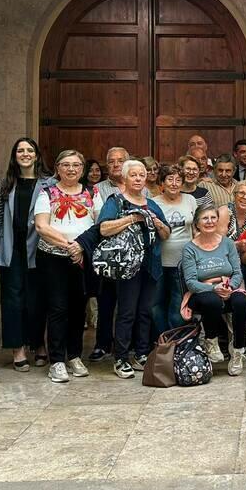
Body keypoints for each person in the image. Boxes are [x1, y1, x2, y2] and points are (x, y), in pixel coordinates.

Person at [97, 159, 170, 378]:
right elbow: (103, 228)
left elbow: (166, 234)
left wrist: (157, 223)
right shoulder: (116, 201)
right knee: (127, 312)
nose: (138, 178)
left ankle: (141, 353)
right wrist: (132, 218)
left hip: (151, 264)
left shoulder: (153, 203)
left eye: (141, 175)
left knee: (146, 311)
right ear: (125, 178)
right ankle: (120, 358)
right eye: (133, 175)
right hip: (127, 265)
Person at [33, 150, 99, 384]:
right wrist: (69, 244)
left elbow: (99, 225)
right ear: (58, 168)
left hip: (82, 259)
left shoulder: (92, 192)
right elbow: (41, 226)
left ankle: (74, 356)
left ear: (82, 169)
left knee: (78, 308)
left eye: (76, 165)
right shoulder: (47, 193)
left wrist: (81, 247)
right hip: (53, 258)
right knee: (58, 308)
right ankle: (57, 361)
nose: (71, 169)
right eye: (66, 165)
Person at [0, 137, 51, 372]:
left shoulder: (49, 184)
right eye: (20, 150)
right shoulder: (5, 184)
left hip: (39, 249)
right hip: (10, 249)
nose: (25, 154)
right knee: (12, 301)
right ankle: (17, 349)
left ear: (37, 155)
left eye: (30, 150)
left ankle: (38, 344)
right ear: (14, 155)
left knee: (38, 299)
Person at [181, 201, 246, 375]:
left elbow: (237, 273)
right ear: (197, 223)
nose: (210, 221)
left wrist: (230, 287)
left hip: (228, 288)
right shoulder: (190, 248)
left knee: (241, 301)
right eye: (205, 218)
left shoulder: (228, 243)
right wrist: (214, 288)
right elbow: (191, 282)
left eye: (213, 217)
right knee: (212, 300)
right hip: (202, 293)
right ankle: (211, 340)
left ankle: (237, 350)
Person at [88, 146, 129, 362]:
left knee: (130, 304)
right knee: (106, 302)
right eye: (111, 161)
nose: (116, 165)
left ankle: (127, 345)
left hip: (133, 255)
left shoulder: (139, 186)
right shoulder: (98, 189)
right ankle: (102, 343)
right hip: (106, 255)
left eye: (120, 161)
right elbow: (99, 221)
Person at [153, 165, 199, 333]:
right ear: (162, 183)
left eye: (178, 180)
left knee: (179, 302)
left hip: (183, 262)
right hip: (159, 261)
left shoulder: (190, 200)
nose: (174, 183)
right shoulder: (153, 202)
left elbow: (195, 229)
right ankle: (162, 340)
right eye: (170, 179)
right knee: (156, 304)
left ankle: (177, 341)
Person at [220, 179, 246, 290]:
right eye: (241, 193)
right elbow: (217, 245)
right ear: (234, 195)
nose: (245, 197)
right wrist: (236, 245)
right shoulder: (225, 212)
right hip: (224, 262)